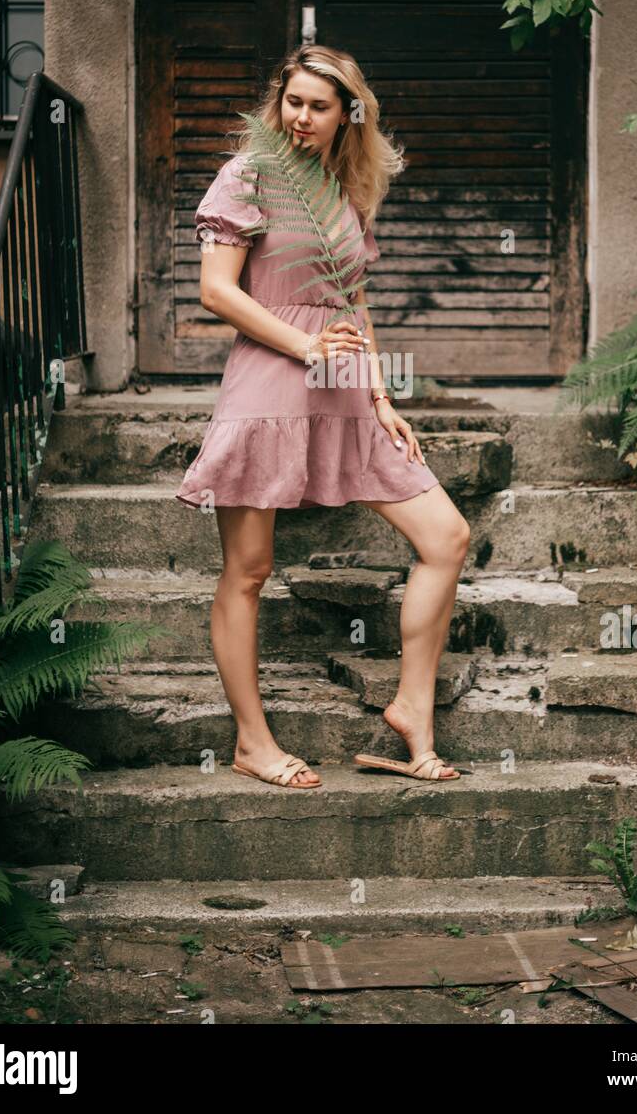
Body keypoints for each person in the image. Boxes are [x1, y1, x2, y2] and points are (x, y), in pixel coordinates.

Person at [175, 44, 471, 788]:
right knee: (248, 572)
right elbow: (217, 290)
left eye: (318, 106)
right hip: (269, 387)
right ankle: (251, 740)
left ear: (348, 115)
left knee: (446, 536)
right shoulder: (246, 176)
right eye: (292, 102)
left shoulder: (343, 189)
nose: (300, 118)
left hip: (344, 391)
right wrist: (306, 343)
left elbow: (354, 302)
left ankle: (411, 707)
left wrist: (379, 395)